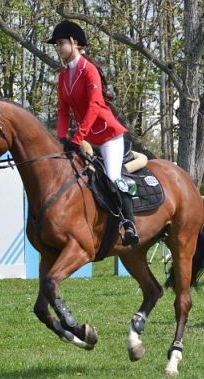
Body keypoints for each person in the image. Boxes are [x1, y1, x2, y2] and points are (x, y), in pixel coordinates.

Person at [46, 20, 138, 246]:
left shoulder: (89, 70)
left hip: (107, 136)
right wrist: (61, 138)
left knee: (113, 177)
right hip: (86, 138)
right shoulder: (63, 76)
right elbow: (63, 111)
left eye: (61, 43)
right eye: (56, 44)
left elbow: (94, 105)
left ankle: (129, 224)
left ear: (74, 43)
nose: (58, 48)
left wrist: (77, 137)